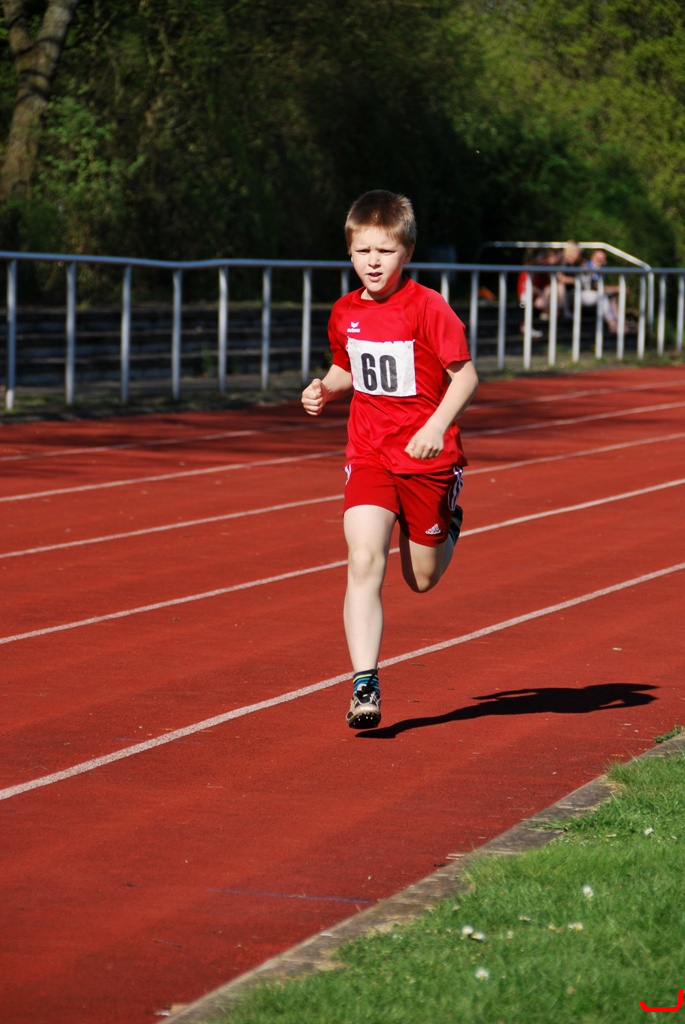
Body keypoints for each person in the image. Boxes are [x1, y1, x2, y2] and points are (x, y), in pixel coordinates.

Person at [301, 190, 479, 729]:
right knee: (363, 558)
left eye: (385, 251)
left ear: (408, 252)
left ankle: (448, 522)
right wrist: (324, 388)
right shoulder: (345, 311)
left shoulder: (428, 307)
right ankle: (365, 683)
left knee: (421, 579)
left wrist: (435, 426)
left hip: (426, 459)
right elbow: (348, 367)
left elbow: (465, 377)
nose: (373, 263)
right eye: (363, 251)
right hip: (370, 453)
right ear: (349, 252)